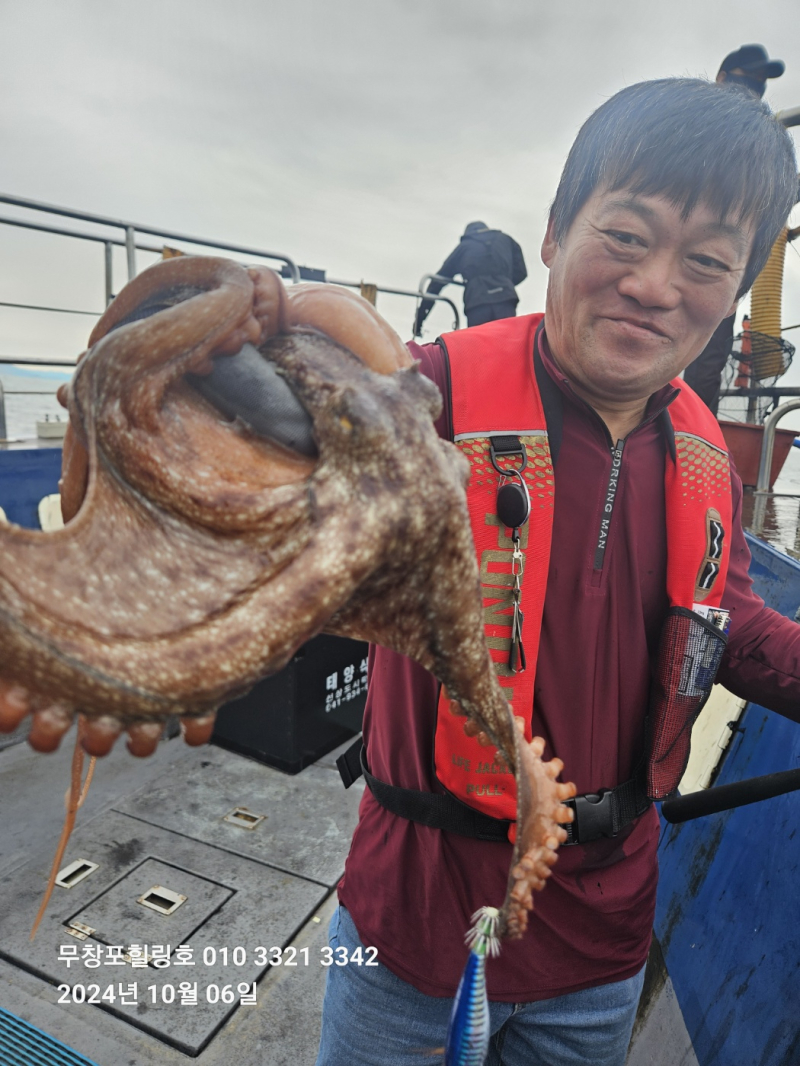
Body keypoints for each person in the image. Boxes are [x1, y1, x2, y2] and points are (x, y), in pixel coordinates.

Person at [316, 78, 799, 1066]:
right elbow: (298, 433)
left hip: (600, 940)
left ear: (733, 286)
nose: (656, 285)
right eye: (624, 235)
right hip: (408, 921)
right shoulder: (431, 390)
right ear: (552, 234)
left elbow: (731, 623)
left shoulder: (708, 457)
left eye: (705, 261)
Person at [683, 44, 786, 413]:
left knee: (708, 363)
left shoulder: (763, 139)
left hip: (719, 266)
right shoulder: (687, 119)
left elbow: (769, 194)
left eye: (762, 83)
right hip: (673, 252)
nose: (755, 88)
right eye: (748, 78)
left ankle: (696, 443)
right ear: (723, 78)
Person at [414, 222, 527, 334]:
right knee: (506, 342)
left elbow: (437, 282)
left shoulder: (465, 247)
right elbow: (521, 272)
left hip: (477, 301)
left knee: (479, 346)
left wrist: (420, 319)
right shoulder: (507, 240)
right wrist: (502, 283)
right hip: (505, 299)